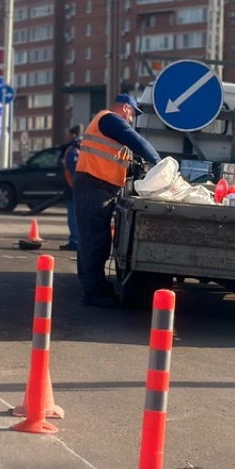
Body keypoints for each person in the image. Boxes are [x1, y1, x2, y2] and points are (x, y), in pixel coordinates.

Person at [73, 93, 161, 308]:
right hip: (94, 186)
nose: (131, 120)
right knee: (94, 241)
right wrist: (160, 162)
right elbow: (138, 142)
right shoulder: (111, 119)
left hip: (99, 187)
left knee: (97, 240)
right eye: (132, 114)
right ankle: (92, 293)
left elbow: (120, 159)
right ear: (125, 108)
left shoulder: (109, 128)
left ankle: (96, 287)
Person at [59, 124, 82, 252]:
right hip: (79, 186)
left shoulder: (72, 149)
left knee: (73, 216)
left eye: (68, 134)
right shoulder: (83, 146)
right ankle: (77, 240)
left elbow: (72, 167)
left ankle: (74, 241)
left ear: (73, 135)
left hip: (73, 186)